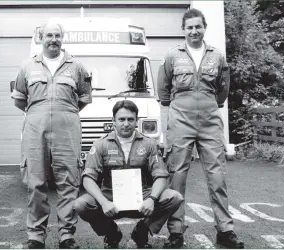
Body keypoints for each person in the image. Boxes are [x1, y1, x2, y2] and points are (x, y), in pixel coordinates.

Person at [157, 8, 244, 249]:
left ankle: (225, 231)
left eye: (198, 27)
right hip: (180, 118)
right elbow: (163, 90)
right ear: (183, 30)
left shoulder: (217, 56)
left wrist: (208, 103)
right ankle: (175, 233)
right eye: (189, 27)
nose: (194, 31)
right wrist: (177, 107)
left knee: (217, 177)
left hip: (209, 119)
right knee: (177, 176)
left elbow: (223, 90)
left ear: (204, 28)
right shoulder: (172, 56)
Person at [11, 21, 92, 249]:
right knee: (35, 181)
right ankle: (36, 236)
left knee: (69, 182)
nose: (53, 39)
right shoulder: (27, 66)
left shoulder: (77, 67)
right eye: (49, 35)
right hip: (35, 129)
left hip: (67, 128)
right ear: (41, 38)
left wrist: (62, 113)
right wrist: (40, 114)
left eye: (57, 35)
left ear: (62, 38)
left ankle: (66, 235)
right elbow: (19, 99)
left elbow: (84, 99)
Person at [73, 100, 184, 249]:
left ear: (136, 121)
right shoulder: (101, 144)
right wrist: (103, 202)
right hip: (110, 196)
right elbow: (88, 179)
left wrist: (151, 199)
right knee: (81, 205)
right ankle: (111, 232)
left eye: (130, 119)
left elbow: (161, 176)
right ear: (113, 121)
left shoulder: (148, 144)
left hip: (141, 196)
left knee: (174, 197)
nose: (126, 124)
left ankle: (142, 231)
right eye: (121, 119)